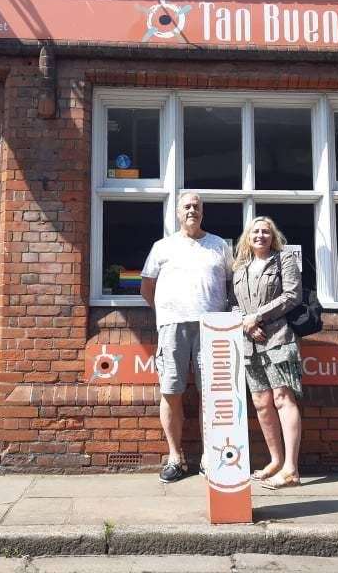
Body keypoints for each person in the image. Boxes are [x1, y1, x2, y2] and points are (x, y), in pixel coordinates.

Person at [140, 192, 233, 483]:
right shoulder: (161, 247)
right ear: (178, 213)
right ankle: (175, 457)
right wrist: (169, 311)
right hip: (173, 327)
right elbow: (147, 289)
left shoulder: (219, 245)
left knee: (213, 395)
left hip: (213, 328)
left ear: (203, 212)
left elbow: (232, 287)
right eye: (187, 207)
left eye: (196, 206)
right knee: (171, 392)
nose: (192, 210)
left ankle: (210, 456)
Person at [230, 216, 304, 490]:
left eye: (266, 232)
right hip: (249, 343)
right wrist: (246, 325)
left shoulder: (283, 260)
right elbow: (233, 303)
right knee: (261, 403)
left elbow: (292, 295)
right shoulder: (239, 267)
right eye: (255, 232)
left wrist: (257, 317)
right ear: (247, 237)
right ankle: (275, 460)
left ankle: (291, 470)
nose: (260, 235)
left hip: (278, 339)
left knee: (283, 399)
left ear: (273, 237)